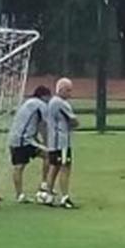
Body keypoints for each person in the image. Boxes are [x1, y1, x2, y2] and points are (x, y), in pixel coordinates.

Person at [8, 85, 52, 203]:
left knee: (19, 166)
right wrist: (47, 142)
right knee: (48, 155)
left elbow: (30, 124)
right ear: (44, 96)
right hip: (24, 140)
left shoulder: (27, 103)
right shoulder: (41, 105)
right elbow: (43, 125)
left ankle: (19, 195)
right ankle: (43, 184)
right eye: (48, 97)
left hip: (14, 138)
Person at [41, 77, 79, 209]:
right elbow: (74, 121)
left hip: (53, 142)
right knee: (65, 168)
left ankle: (49, 195)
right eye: (68, 90)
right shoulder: (60, 103)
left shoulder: (52, 102)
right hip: (61, 142)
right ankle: (65, 197)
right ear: (61, 89)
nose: (70, 93)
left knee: (54, 167)